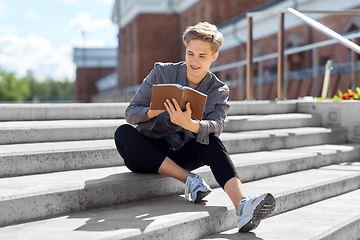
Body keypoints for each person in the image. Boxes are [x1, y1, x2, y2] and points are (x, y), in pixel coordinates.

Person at [114, 22, 276, 232]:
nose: (194, 61)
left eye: (202, 56)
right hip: (147, 153)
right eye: (191, 53)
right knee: (123, 132)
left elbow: (217, 124)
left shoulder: (218, 89)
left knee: (211, 138)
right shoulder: (162, 73)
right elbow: (131, 112)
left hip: (183, 152)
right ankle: (188, 179)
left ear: (214, 56)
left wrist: (190, 124)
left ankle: (242, 206)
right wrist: (154, 110)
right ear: (186, 50)